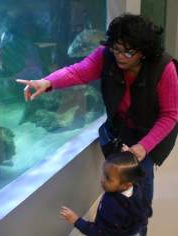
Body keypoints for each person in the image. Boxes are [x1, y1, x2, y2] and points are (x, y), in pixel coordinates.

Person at [16, 14, 178, 235]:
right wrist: (47, 82)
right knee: (118, 179)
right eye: (116, 48)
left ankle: (140, 226)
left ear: (143, 51)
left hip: (149, 134)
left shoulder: (163, 67)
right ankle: (114, 218)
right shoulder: (107, 55)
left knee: (141, 179)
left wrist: (143, 147)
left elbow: (170, 115)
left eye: (128, 52)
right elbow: (78, 71)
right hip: (121, 127)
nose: (120, 56)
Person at [60, 152, 147, 236]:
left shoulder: (112, 205)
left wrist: (77, 221)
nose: (102, 179)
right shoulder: (135, 185)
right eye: (104, 173)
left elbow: (101, 233)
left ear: (125, 185)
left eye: (108, 178)